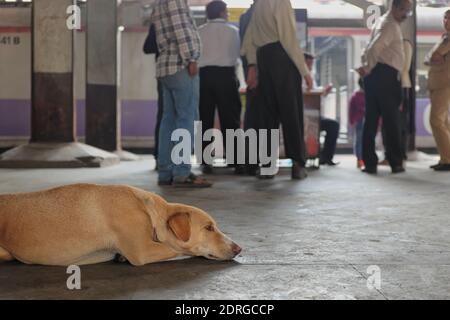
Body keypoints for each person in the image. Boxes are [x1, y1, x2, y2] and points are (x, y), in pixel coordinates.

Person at [241, 0, 313, 180]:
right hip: (282, 58)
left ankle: (266, 165)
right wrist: (305, 72)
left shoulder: (258, 3)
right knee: (291, 113)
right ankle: (297, 164)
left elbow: (249, 38)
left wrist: (252, 64)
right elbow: (288, 38)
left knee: (267, 115)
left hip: (263, 58)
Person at [152, 0, 212, 188]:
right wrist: (192, 57)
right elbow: (181, 28)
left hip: (166, 66)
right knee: (186, 119)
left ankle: (165, 172)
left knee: (168, 120)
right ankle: (181, 172)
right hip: (180, 65)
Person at [357, 0, 413, 175]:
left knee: (371, 121)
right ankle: (395, 162)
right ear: (394, 8)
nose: (406, 15)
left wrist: (367, 68)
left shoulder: (382, 21)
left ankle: (370, 163)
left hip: (376, 77)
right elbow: (374, 48)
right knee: (391, 122)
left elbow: (368, 49)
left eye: (409, 11)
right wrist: (368, 67)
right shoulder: (389, 25)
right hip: (386, 77)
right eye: (404, 10)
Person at [198, 1, 243, 175]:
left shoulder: (200, 31)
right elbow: (237, 55)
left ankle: (206, 162)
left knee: (205, 119)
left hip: (205, 77)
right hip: (226, 76)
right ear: (223, 12)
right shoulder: (233, 31)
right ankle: (235, 161)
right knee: (230, 119)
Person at [303, 53, 340, 166]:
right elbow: (307, 93)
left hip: (313, 114)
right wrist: (321, 92)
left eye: (311, 64)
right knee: (333, 125)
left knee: (333, 125)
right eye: (308, 64)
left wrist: (323, 92)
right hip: (305, 115)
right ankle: (324, 156)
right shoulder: (299, 77)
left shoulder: (310, 77)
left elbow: (313, 94)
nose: (310, 67)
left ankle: (326, 156)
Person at [425, 9, 450, 172]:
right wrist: (434, 58)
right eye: (445, 17)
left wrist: (434, 58)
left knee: (436, 121)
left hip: (445, 84)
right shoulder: (444, 38)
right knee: (444, 122)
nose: (446, 21)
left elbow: (433, 57)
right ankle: (445, 157)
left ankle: (447, 159)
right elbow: (430, 57)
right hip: (437, 83)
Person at [239, 0, 260, 176]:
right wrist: (254, 67)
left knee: (252, 117)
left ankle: (249, 161)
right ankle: (253, 161)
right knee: (261, 118)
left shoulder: (244, 16)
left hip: (251, 70)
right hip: (260, 71)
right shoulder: (258, 14)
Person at [349, 78, 366, 169]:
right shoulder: (356, 96)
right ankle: (360, 159)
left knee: (360, 140)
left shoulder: (355, 96)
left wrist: (352, 120)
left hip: (359, 120)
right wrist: (352, 120)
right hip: (360, 121)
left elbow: (351, 110)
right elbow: (351, 110)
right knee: (360, 140)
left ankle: (361, 159)